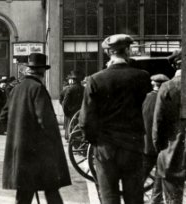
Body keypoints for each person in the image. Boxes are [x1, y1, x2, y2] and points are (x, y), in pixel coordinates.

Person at [79, 34, 152, 204]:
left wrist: (94, 140)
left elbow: (85, 120)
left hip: (105, 147)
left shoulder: (95, 79)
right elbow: (146, 107)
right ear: (127, 50)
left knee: (109, 195)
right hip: (132, 145)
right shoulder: (141, 77)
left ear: (108, 53)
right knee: (134, 196)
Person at [3, 53, 71, 204]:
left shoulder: (16, 89)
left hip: (20, 149)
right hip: (38, 151)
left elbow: (5, 115)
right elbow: (45, 121)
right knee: (51, 188)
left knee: (24, 192)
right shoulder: (38, 88)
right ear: (42, 72)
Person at [153, 49, 184, 204]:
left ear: (174, 65)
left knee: (173, 199)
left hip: (173, 150)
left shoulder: (166, 87)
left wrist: (160, 149)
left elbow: (158, 123)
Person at [142, 73, 169, 204]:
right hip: (161, 144)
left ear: (153, 84)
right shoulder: (165, 99)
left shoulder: (146, 98)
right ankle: (155, 199)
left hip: (146, 143)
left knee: (142, 173)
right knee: (159, 173)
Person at [60, 70, 84, 140]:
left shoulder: (69, 89)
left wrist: (66, 112)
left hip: (71, 112)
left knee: (71, 127)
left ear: (73, 80)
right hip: (81, 112)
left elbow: (64, 103)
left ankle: (70, 138)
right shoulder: (84, 89)